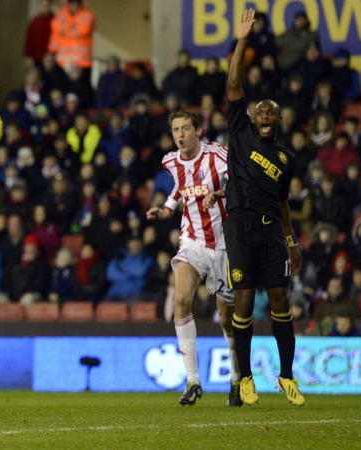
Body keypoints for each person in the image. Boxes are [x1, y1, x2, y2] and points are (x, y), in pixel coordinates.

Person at [223, 9, 304, 406]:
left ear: (280, 120)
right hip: (240, 226)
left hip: (273, 230)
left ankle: (287, 376)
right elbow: (234, 82)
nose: (266, 116)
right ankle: (246, 379)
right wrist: (242, 41)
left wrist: (291, 241)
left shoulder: (287, 159)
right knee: (242, 302)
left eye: (272, 113)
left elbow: (284, 202)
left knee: (280, 301)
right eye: (261, 112)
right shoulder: (239, 131)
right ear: (253, 119)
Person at [146, 109, 241, 406]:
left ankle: (237, 379)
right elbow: (181, 187)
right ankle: (193, 380)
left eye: (186, 128)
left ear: (199, 130)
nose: (180, 135)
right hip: (193, 240)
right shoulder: (170, 161)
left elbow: (244, 183)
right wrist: (167, 208)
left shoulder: (220, 156)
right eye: (176, 130)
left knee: (227, 319)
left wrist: (222, 194)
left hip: (226, 245)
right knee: (181, 298)